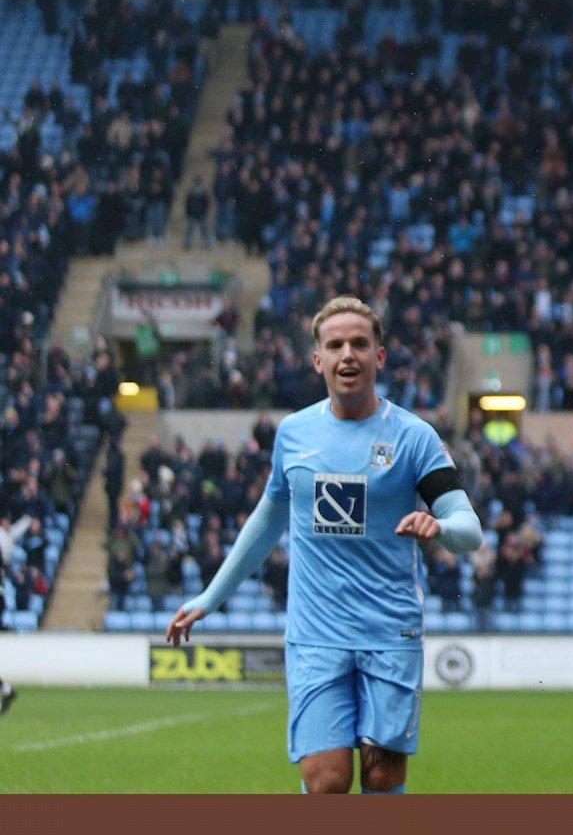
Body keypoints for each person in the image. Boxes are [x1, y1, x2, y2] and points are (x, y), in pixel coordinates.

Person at [165, 296, 483, 794]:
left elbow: (469, 527)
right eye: (334, 345)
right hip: (316, 634)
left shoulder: (415, 437)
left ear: (380, 356)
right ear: (318, 360)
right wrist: (211, 596)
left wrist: (439, 527)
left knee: (381, 777)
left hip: (389, 631)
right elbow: (269, 516)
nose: (347, 355)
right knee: (326, 780)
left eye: (360, 343)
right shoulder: (293, 434)